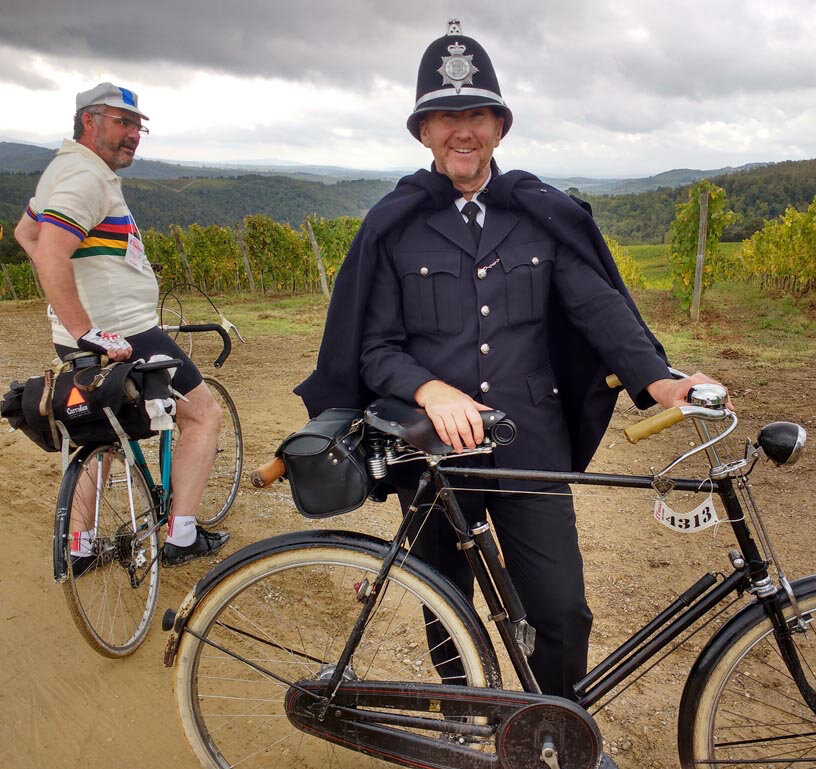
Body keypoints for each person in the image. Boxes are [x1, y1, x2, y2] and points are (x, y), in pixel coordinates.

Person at [296, 17, 725, 733]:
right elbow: (372, 351)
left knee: (560, 607)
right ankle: (466, 714)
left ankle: (554, 729)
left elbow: (598, 309)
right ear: (424, 131)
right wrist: (429, 388)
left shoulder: (538, 214)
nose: (461, 130)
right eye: (445, 116)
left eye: (476, 114)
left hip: (530, 446)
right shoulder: (394, 228)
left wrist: (661, 381)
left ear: (499, 125)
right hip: (433, 450)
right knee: (448, 602)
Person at [13, 82, 229, 571]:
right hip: (125, 331)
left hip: (83, 334)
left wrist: (79, 313)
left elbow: (27, 232)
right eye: (122, 123)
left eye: (138, 125)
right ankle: (182, 534)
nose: (134, 134)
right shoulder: (85, 178)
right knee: (203, 414)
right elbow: (49, 250)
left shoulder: (67, 171)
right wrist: (89, 325)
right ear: (88, 122)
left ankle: (80, 548)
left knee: (100, 435)